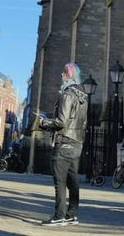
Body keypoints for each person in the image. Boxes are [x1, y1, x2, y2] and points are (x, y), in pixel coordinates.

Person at [38, 63, 89, 228]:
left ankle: (59, 216)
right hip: (77, 142)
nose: (61, 75)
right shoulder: (83, 96)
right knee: (73, 180)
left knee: (59, 181)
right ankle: (72, 215)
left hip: (65, 141)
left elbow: (61, 122)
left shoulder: (67, 94)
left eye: (64, 73)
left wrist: (44, 123)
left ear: (69, 75)